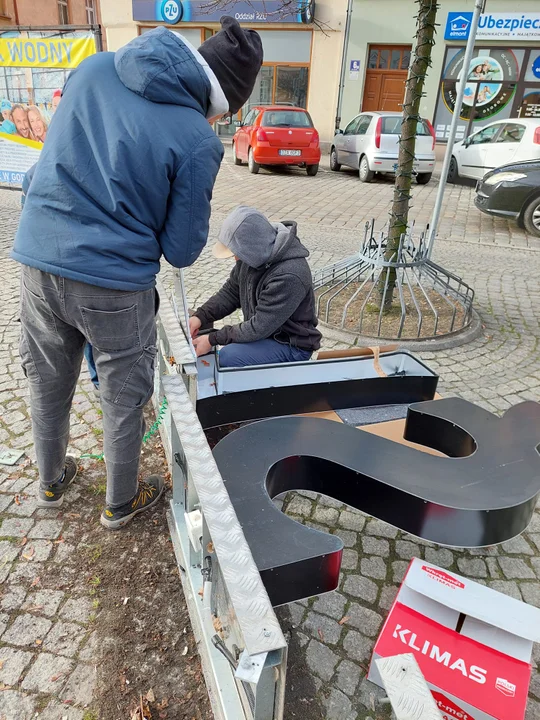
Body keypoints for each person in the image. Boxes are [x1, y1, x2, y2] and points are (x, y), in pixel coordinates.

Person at [11, 19, 263, 529]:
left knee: (46, 380)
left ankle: (51, 481)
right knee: (124, 394)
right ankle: (119, 503)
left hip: (37, 260)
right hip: (113, 283)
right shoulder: (196, 138)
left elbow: (38, 173)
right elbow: (182, 248)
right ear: (225, 102)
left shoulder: (92, 69)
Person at [190, 206, 322, 368]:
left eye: (237, 252)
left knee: (230, 357)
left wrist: (212, 339)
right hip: (266, 334)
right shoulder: (253, 256)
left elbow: (258, 327)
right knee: (207, 334)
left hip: (289, 344)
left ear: (252, 247)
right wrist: (200, 316)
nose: (235, 258)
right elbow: (231, 293)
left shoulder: (290, 274)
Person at [21, 163, 100, 394]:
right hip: (89, 270)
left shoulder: (49, 161)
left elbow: (28, 199)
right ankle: (99, 384)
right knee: (91, 332)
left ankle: (97, 383)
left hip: (49, 267)